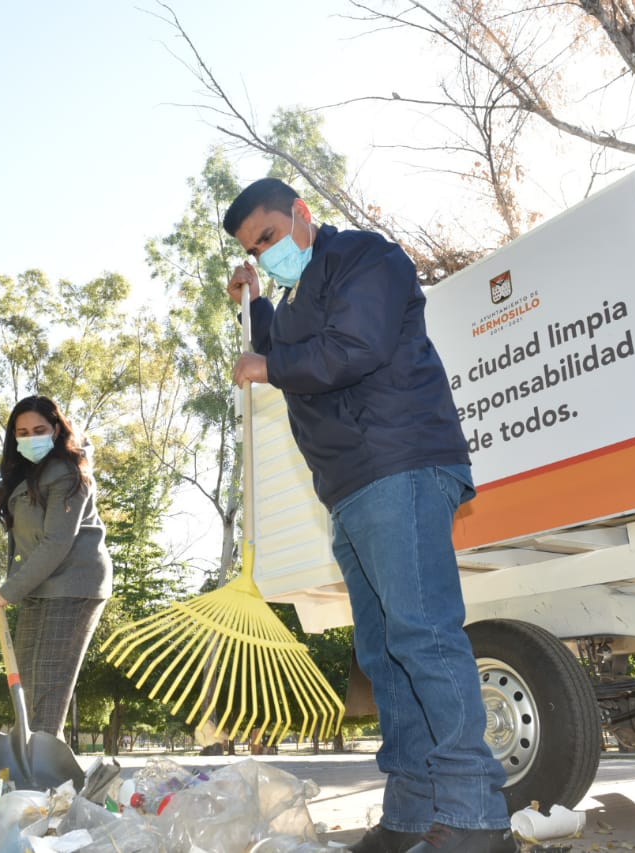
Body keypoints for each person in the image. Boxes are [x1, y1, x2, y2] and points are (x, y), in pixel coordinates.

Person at [224, 178, 513, 853]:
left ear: (301, 214)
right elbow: (290, 344)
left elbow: (352, 347)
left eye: (268, 237)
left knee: (424, 634)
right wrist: (257, 305)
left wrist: (265, 362)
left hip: (401, 462)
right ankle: (411, 812)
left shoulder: (366, 259)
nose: (265, 254)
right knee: (382, 653)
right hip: (349, 485)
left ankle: (477, 817)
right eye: (252, 249)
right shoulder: (294, 298)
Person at [0, 395, 112, 738]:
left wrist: (7, 593)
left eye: (39, 429)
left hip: (71, 586)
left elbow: (56, 544)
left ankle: (45, 782)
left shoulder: (68, 474)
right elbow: (9, 487)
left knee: (46, 688)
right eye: (22, 432)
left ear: (57, 429)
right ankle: (30, 772)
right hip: (38, 585)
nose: (31, 437)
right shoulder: (30, 470)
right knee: (27, 684)